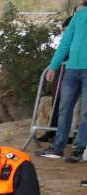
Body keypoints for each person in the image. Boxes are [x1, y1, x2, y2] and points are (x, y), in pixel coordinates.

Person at [38, 0, 87, 160]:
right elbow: (65, 42)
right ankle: (57, 148)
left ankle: (79, 149)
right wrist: (53, 66)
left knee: (85, 113)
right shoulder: (79, 16)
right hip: (72, 68)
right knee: (64, 109)